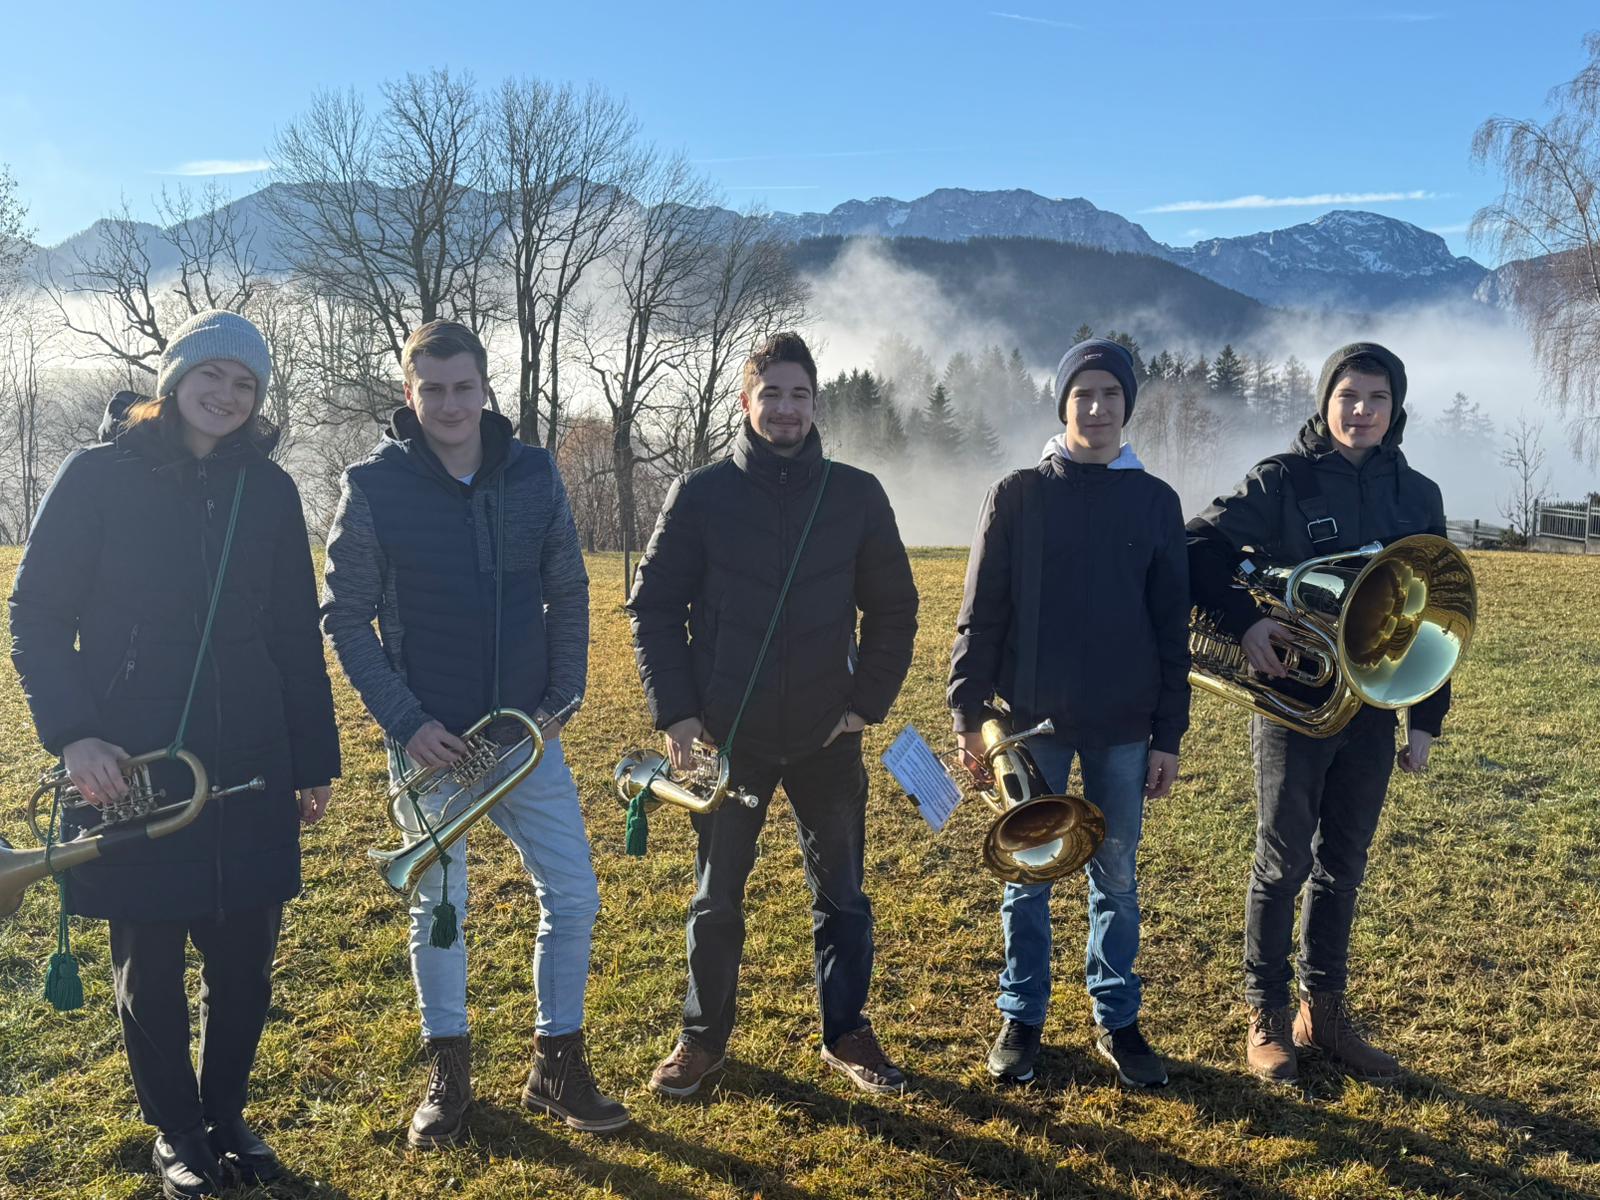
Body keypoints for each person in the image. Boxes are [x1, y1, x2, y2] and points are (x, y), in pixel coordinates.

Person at [9, 310, 341, 1199]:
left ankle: (226, 1115)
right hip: (134, 764)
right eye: (211, 375)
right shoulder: (96, 475)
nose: (227, 395)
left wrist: (313, 758)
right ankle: (178, 1134)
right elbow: (36, 614)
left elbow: (295, 634)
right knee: (149, 963)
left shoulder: (270, 490)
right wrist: (74, 733)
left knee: (245, 965)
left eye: (246, 384)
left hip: (255, 757)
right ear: (174, 378)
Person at [321, 320, 626, 1147]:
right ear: (408, 393)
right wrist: (407, 723)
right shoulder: (371, 486)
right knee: (440, 906)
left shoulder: (534, 472)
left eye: (463, 387)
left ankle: (556, 1064)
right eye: (433, 389)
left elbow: (568, 587)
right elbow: (345, 617)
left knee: (574, 893)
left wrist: (564, 697)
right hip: (430, 742)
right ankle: (448, 1072)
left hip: (527, 735)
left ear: (486, 388)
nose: (450, 404)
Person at [626, 331, 918, 1098]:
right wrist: (678, 713)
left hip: (827, 738)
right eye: (772, 394)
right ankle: (701, 1041)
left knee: (844, 898)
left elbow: (895, 610)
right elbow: (653, 608)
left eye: (799, 395)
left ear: (815, 404)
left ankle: (846, 1032)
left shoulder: (856, 495)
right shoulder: (701, 494)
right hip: (730, 741)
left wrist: (864, 706)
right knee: (715, 899)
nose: (786, 409)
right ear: (745, 401)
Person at [1187, 342, 1449, 1084]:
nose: (1362, 411)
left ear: (1396, 408)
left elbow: (1436, 615)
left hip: (1373, 708)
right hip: (1294, 703)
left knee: (1344, 864)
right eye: (1348, 396)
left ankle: (1323, 1014)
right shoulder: (1282, 478)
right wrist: (1245, 622)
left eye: (1377, 398)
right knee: (1283, 862)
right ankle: (1267, 1014)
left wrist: (1425, 718)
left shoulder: (1418, 494)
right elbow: (1197, 545)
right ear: (1325, 401)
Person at [948, 338, 1190, 1088]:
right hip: (1030, 725)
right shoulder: (1017, 494)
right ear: (1063, 404)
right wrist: (966, 715)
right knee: (1028, 873)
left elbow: (1170, 630)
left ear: (1127, 406)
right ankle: (1021, 1015)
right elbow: (980, 613)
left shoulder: (1156, 502)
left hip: (1125, 726)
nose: (1097, 406)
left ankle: (1117, 1018)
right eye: (1083, 393)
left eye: (1111, 393)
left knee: (1115, 875)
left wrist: (1168, 736)